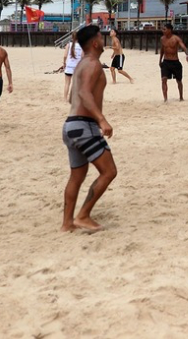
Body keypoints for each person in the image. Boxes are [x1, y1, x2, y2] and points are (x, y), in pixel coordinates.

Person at [61, 24, 118, 233]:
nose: (103, 41)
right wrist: (101, 119)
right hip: (84, 126)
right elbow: (84, 93)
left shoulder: (80, 65)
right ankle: (83, 215)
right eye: (101, 38)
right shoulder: (93, 64)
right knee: (109, 171)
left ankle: (67, 224)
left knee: (76, 176)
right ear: (95, 42)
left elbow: (71, 97)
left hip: (70, 126)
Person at [159, 23, 188, 102]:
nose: (163, 31)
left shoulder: (176, 38)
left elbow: (183, 47)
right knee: (164, 79)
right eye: (162, 29)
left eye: (164, 29)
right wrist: (160, 60)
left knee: (179, 81)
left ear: (169, 30)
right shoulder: (162, 39)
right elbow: (162, 50)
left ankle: (181, 97)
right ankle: (165, 99)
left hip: (175, 62)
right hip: (166, 62)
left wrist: (187, 55)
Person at [63, 32, 82, 101]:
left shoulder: (69, 45)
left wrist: (64, 63)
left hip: (69, 67)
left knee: (67, 83)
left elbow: (65, 56)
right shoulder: (82, 46)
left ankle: (65, 98)